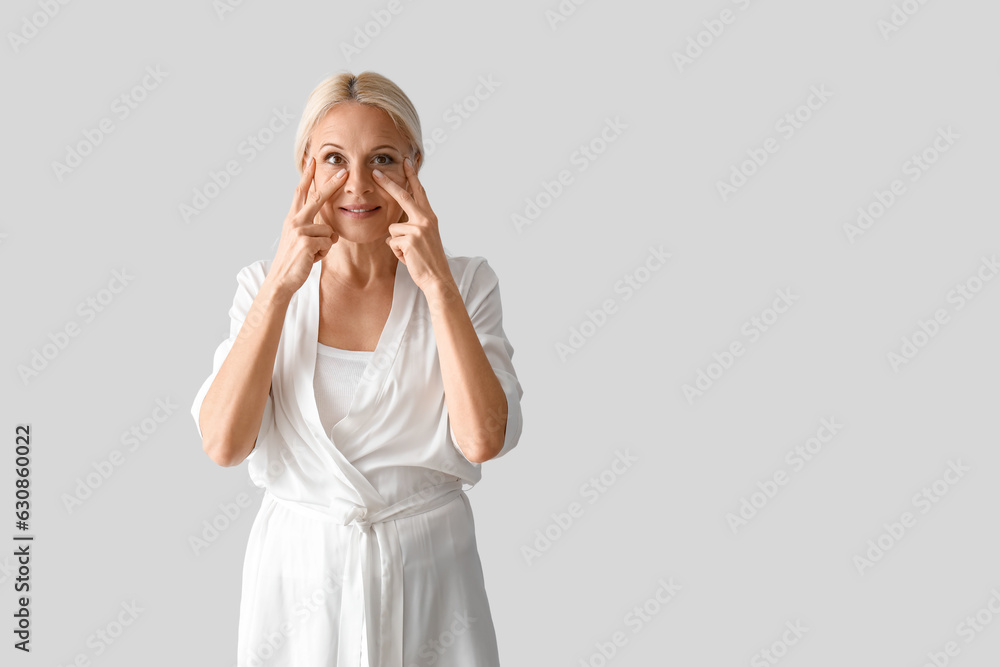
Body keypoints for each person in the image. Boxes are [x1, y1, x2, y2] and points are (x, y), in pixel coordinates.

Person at [189, 70, 524, 667]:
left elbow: (481, 439)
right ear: (306, 169)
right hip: (298, 581)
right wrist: (281, 286)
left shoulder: (468, 283)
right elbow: (222, 444)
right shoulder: (260, 289)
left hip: (431, 578)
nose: (359, 184)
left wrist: (436, 281)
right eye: (335, 158)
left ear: (414, 166)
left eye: (384, 159)